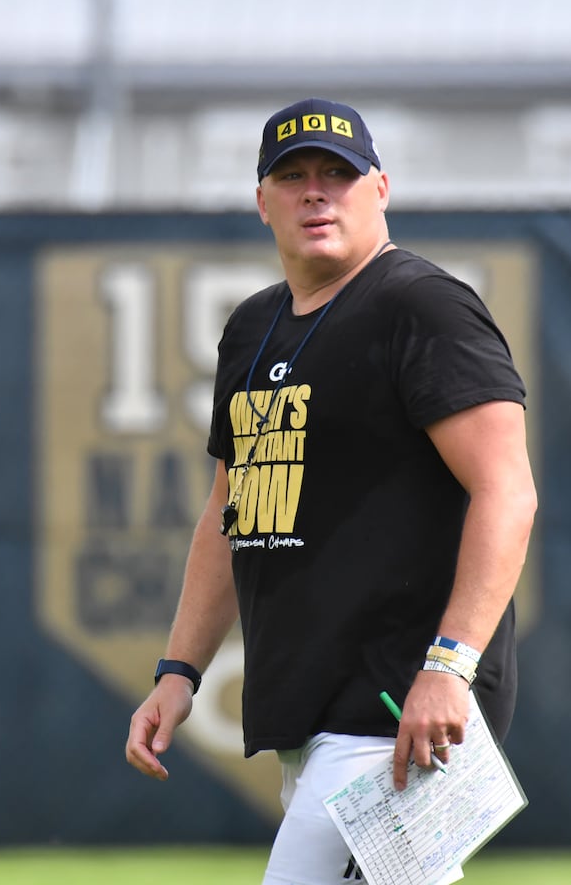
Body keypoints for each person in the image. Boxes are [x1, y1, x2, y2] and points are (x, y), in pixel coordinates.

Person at [123, 98, 537, 884]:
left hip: (401, 702)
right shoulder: (252, 328)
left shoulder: (421, 307)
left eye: (336, 175)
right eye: (293, 176)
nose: (315, 193)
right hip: (313, 703)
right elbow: (229, 510)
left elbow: (507, 492)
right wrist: (178, 671)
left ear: (379, 188)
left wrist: (448, 667)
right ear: (261, 201)